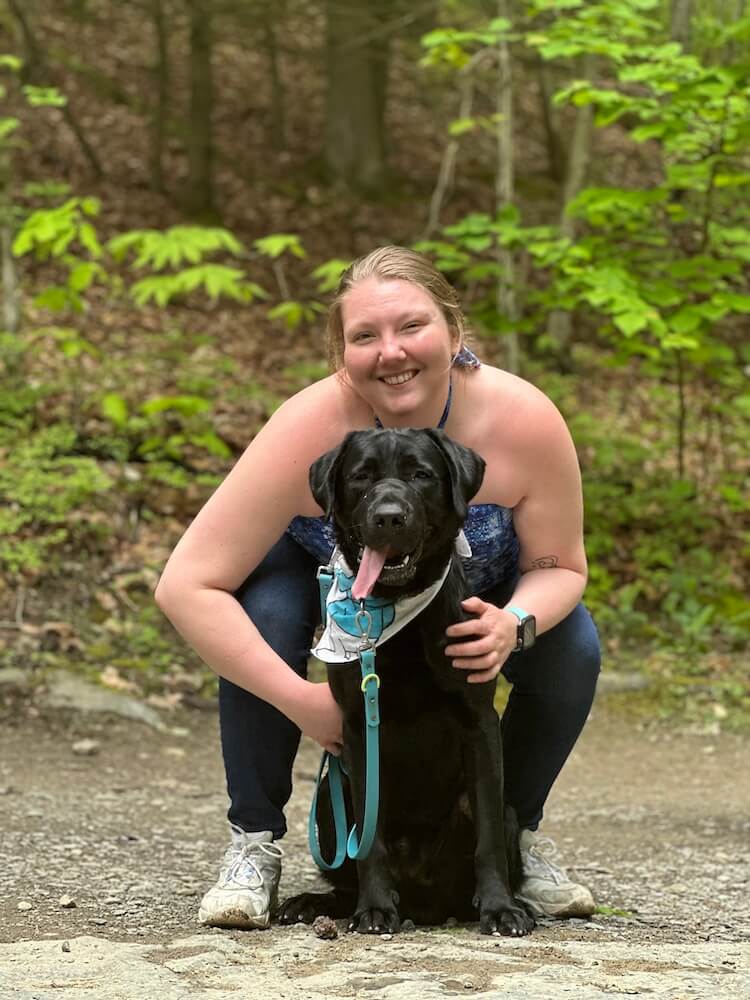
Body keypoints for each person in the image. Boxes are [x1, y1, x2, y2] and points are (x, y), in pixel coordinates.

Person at [155, 245, 601, 930]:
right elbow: (187, 585)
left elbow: (561, 567)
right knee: (265, 605)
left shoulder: (523, 420)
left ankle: (512, 837)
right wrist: (304, 701)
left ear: (455, 331)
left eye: (412, 326)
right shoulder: (307, 427)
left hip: (466, 602)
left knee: (570, 639)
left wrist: (514, 620)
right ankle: (253, 842)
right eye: (365, 335)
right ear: (343, 353)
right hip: (334, 606)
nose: (390, 352)